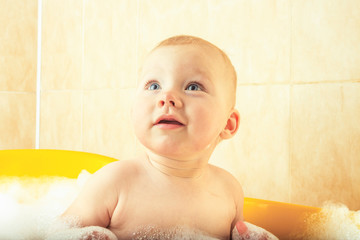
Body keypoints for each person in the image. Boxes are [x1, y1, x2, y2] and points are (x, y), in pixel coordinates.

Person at [49, 35, 277, 240]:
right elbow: (55, 234)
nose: (167, 97)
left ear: (228, 124)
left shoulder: (229, 190)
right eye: (154, 85)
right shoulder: (115, 182)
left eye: (193, 86)